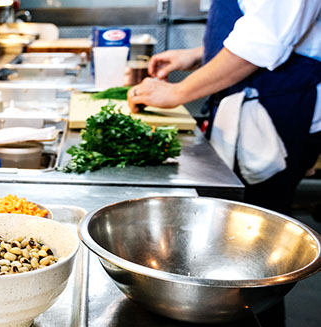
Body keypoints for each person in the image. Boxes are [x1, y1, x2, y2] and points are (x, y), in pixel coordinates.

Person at [127, 0, 321, 215]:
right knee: (231, 212)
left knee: (258, 213)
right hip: (250, 99)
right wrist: (201, 54)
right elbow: (259, 23)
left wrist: (177, 92)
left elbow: (264, 39)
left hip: (279, 104)